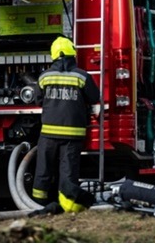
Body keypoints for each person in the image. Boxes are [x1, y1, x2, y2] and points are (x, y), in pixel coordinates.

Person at [31, 36, 100, 214]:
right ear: (73, 54)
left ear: (53, 55)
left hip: (48, 134)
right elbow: (94, 98)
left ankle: (38, 204)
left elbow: (38, 100)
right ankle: (67, 205)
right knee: (68, 171)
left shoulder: (44, 77)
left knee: (43, 169)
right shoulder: (82, 76)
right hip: (73, 135)